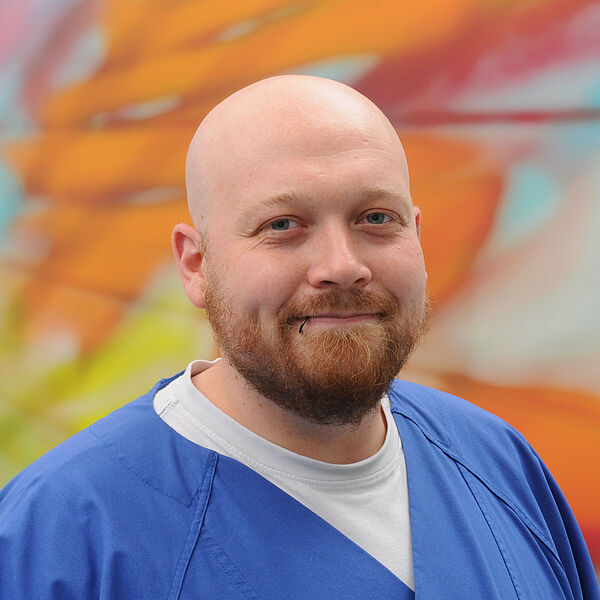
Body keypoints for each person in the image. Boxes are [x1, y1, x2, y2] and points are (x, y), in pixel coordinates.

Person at [0, 75, 597, 599]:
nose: (342, 265)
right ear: (196, 265)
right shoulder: (64, 537)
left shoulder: (500, 464)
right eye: (283, 225)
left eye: (376, 218)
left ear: (416, 234)